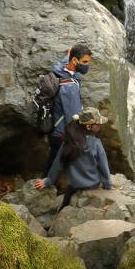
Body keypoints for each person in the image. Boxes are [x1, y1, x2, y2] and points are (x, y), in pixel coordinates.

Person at [35, 107, 113, 209]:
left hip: (74, 185)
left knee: (65, 204)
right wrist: (107, 184)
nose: (100, 125)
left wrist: (48, 180)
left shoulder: (69, 142)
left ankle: (61, 212)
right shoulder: (96, 143)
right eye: (98, 124)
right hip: (92, 184)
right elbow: (103, 166)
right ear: (89, 126)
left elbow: (58, 163)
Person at [42, 43, 93, 177]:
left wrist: (69, 53)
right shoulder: (69, 88)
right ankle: (44, 187)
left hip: (55, 128)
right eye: (85, 62)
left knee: (55, 160)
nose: (87, 65)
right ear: (75, 61)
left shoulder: (60, 70)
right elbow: (74, 117)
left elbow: (65, 61)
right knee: (56, 164)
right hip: (62, 133)